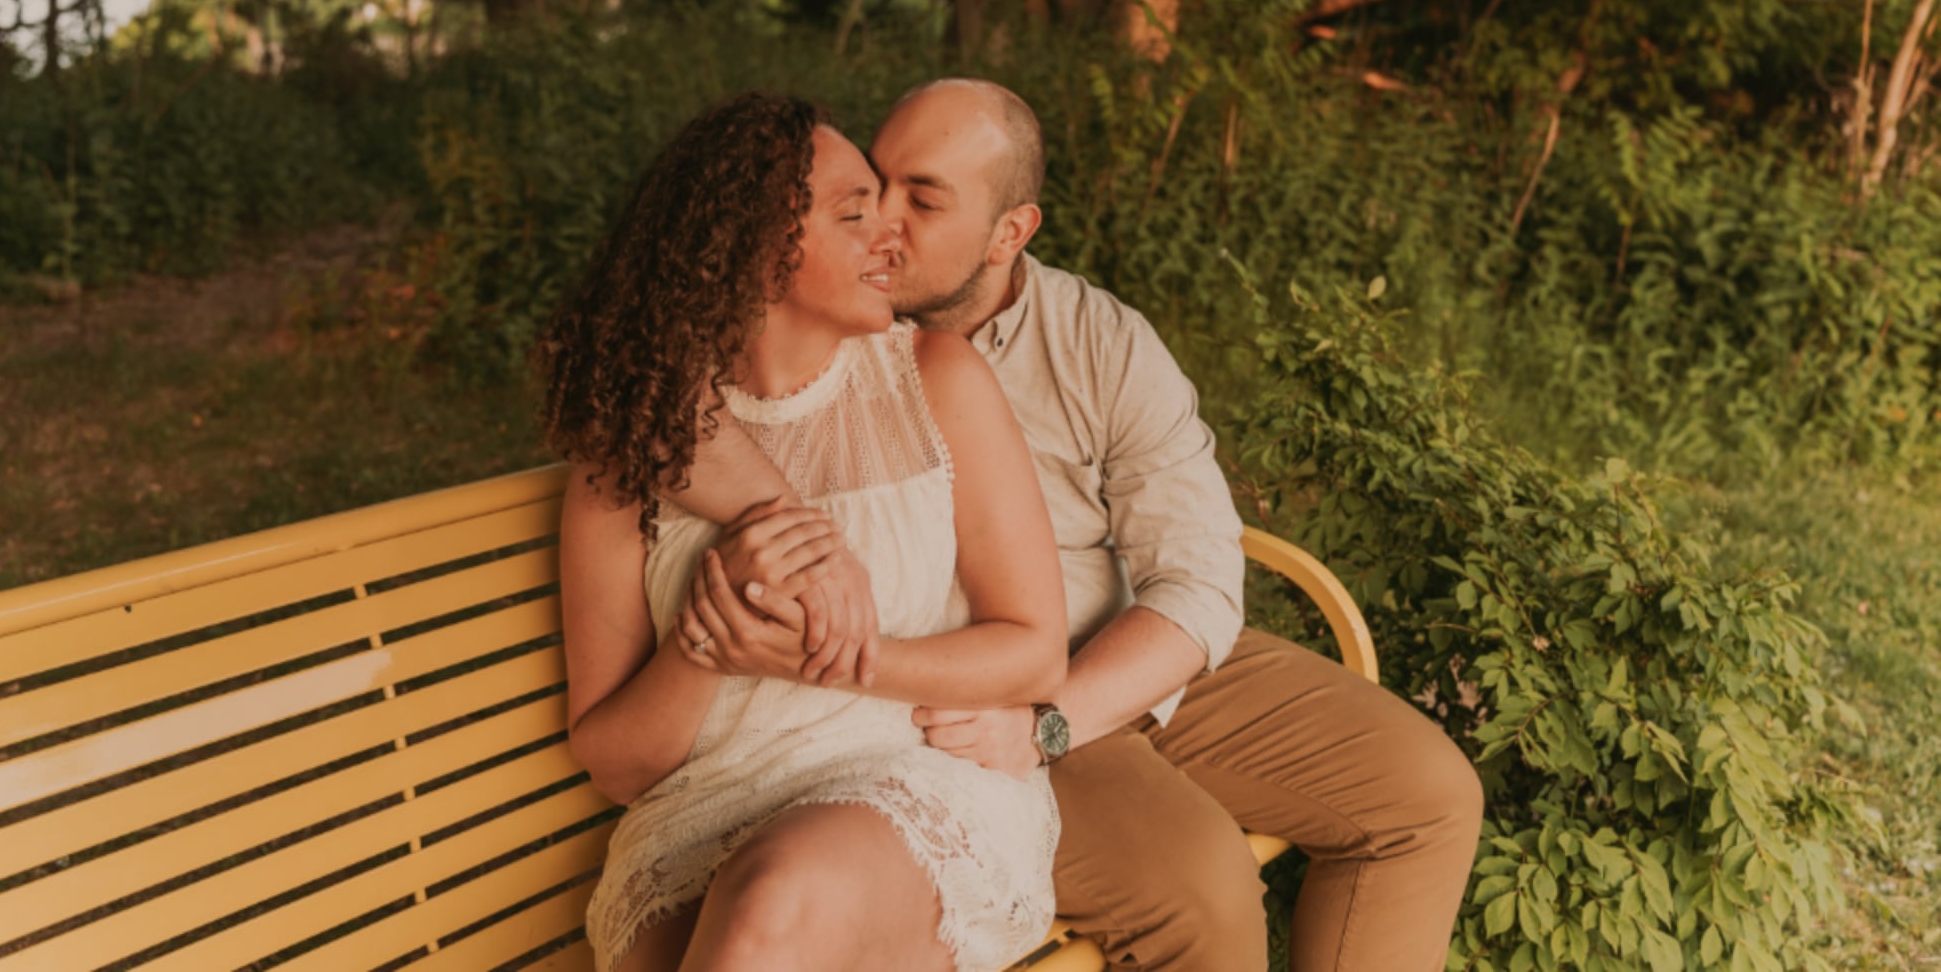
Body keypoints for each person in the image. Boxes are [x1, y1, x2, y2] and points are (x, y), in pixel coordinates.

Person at [681, 79, 1487, 971]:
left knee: (1428, 795)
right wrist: (776, 507)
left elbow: (1200, 575)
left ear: (1010, 232)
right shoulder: (823, 315)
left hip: (1110, 654)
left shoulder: (1097, 338)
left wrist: (1054, 720)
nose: (884, 223)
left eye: (924, 198)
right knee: (1203, 888)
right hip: (957, 695)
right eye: (873, 188)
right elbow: (659, 387)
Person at [541, 92, 1069, 972]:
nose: (889, 235)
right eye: (854, 213)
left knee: (773, 907)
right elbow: (618, 767)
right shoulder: (632, 440)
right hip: (700, 819)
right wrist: (704, 650)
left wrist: (825, 658)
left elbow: (1033, 653)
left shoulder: (935, 380)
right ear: (752, 245)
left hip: (903, 786)